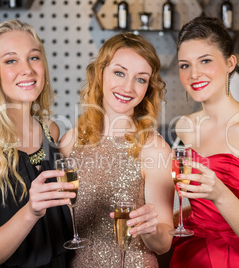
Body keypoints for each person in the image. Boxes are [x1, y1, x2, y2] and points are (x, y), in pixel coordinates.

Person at [0, 19, 75, 267]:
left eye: (33, 57)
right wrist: (31, 212)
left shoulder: (50, 131)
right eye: (10, 60)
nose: (27, 69)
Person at [170, 16, 239, 267]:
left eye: (206, 61)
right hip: (187, 254)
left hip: (236, 259)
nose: (194, 74)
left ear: (230, 63)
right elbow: (199, 209)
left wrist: (220, 194)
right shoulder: (184, 126)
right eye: (184, 65)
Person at [59, 32, 174, 267]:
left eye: (140, 79)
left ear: (147, 89)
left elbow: (164, 244)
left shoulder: (154, 149)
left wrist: (151, 230)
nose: (128, 87)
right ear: (100, 73)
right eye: (119, 73)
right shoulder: (70, 141)